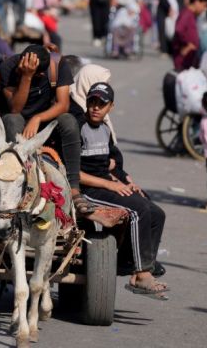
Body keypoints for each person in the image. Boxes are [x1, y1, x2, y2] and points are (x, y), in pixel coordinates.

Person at [78, 82, 168, 297]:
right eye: (92, 102)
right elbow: (74, 173)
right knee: (139, 211)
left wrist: (126, 181)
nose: (96, 107)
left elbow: (110, 164)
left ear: (111, 106)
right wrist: (110, 184)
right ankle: (142, 273)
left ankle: (133, 263)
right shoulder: (77, 127)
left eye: (102, 103)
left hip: (106, 182)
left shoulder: (105, 130)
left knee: (156, 213)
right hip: (87, 188)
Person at [0, 45, 104, 220]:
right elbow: (15, 108)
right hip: (17, 122)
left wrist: (37, 118)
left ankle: (74, 188)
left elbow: (63, 104)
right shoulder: (9, 67)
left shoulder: (57, 65)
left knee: (68, 120)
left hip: (44, 120)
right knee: (12, 119)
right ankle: (17, 184)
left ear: (41, 74)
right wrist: (26, 77)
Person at [171, 0, 207, 71]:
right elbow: (179, 29)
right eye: (204, 5)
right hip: (183, 61)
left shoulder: (192, 15)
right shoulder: (187, 14)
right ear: (197, 1)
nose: (204, 9)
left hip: (189, 60)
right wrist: (187, 45)